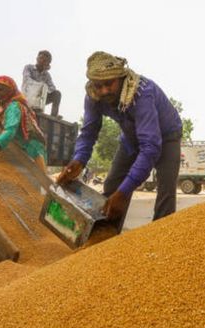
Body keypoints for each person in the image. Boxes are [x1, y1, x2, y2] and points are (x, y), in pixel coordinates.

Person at [56, 51, 182, 222]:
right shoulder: (94, 96)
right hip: (131, 140)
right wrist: (78, 160)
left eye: (109, 84)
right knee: (111, 188)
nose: (104, 90)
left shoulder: (141, 93)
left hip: (167, 137)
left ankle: (162, 241)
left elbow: (150, 147)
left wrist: (125, 191)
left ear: (121, 78)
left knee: (166, 194)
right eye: (98, 86)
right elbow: (88, 133)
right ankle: (105, 239)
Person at [22, 50, 61, 117]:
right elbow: (27, 80)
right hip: (28, 95)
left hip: (39, 98)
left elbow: (52, 88)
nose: (42, 61)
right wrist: (41, 85)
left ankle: (53, 116)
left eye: (45, 60)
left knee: (57, 94)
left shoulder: (46, 75)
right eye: (41, 58)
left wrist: (44, 90)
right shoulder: (28, 67)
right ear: (37, 58)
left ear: (48, 63)